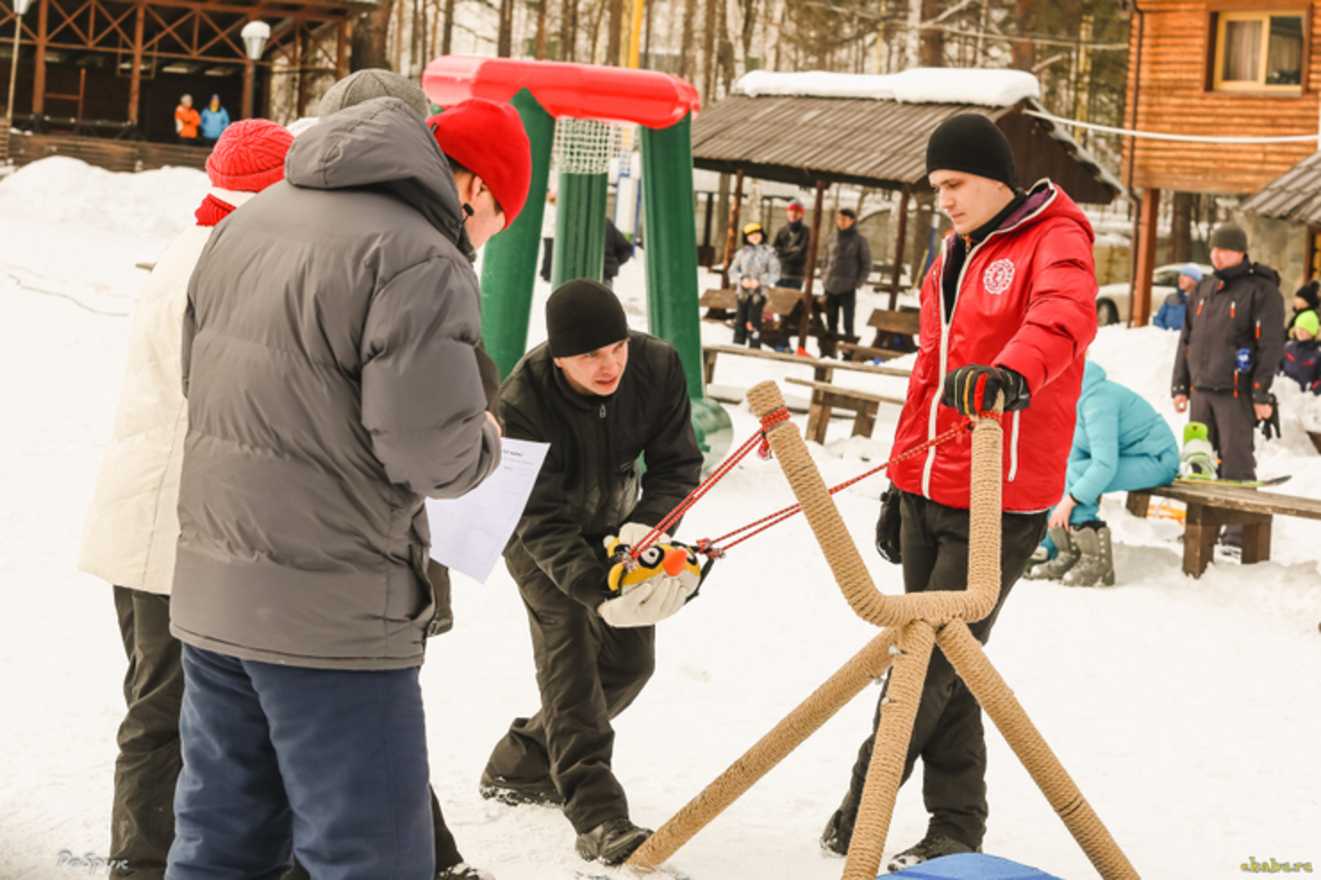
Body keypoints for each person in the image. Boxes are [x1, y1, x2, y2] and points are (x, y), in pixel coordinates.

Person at [165, 96, 530, 880]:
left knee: (220, 843)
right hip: (333, 619)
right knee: (369, 856)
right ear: (472, 187)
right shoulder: (419, 259)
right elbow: (434, 456)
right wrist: (489, 438)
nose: (482, 237)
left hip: (214, 593)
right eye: (496, 217)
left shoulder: (250, 222)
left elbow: (200, 382)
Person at [821, 113, 1097, 870]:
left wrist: (1011, 373)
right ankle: (957, 823)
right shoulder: (950, 252)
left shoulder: (1055, 237)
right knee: (948, 660)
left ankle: (864, 798)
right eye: (935, 186)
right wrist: (896, 477)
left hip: (999, 487)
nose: (942, 199)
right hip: (929, 480)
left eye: (953, 184)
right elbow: (928, 374)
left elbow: (1063, 316)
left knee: (932, 666)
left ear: (993, 177)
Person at [282, 67, 504, 880]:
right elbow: (428, 437)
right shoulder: (409, 248)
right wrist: (479, 437)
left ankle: (428, 853)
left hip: (271, 559)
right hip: (344, 560)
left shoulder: (282, 225)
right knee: (354, 753)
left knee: (292, 759)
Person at [76, 119, 293, 880]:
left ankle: (152, 853)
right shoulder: (229, 262)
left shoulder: (191, 245)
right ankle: (140, 860)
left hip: (144, 514)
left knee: (160, 696)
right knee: (166, 704)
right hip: (172, 521)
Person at [479, 279, 703, 867]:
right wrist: (595, 589)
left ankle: (521, 761)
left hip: (620, 531)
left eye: (615, 348)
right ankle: (598, 816)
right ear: (559, 359)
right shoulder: (523, 400)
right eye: (589, 357)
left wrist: (647, 530)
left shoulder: (656, 366)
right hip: (538, 539)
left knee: (631, 662)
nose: (609, 366)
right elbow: (539, 516)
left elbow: (679, 466)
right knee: (572, 660)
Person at [1171, 222, 1284, 537]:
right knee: (1199, 459)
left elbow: (1271, 345)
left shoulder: (1261, 290)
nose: (1218, 256)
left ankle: (1238, 530)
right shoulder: (1205, 289)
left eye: (1226, 250)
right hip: (1201, 392)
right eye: (1215, 249)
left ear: (1241, 252)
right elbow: (1186, 340)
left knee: (1236, 462)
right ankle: (1201, 525)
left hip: (1237, 392)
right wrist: (1180, 385)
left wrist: (1261, 393)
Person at [1024, 361, 1179, 587]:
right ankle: (1062, 549)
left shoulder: (1097, 401)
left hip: (1157, 459)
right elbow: (1072, 462)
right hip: (1131, 457)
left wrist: (1070, 502)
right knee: (1070, 471)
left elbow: (1104, 465)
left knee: (1081, 475)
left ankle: (1096, 559)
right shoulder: (1076, 402)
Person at [822, 207, 872, 351]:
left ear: (852, 221)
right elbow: (826, 260)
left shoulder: (859, 240)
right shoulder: (831, 238)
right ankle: (829, 351)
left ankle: (848, 351)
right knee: (831, 321)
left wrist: (858, 283)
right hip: (830, 286)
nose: (841, 222)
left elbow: (866, 264)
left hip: (848, 287)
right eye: (839, 219)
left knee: (848, 323)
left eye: (844, 219)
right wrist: (824, 278)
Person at [727, 221, 780, 348]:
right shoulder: (742, 253)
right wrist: (741, 280)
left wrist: (760, 281)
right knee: (740, 318)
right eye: (750, 235)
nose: (754, 237)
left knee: (754, 319)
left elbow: (775, 274)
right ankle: (738, 344)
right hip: (743, 293)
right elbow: (732, 271)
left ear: (762, 235)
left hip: (759, 293)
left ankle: (754, 344)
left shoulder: (769, 253)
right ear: (746, 238)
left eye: (757, 234)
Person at [1281, 309, 1321, 394]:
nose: (1300, 331)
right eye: (1299, 328)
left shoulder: (1318, 353)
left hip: (1306, 401)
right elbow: (1276, 366)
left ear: (1313, 331)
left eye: (1305, 329)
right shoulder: (1288, 347)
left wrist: (1312, 390)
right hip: (1285, 397)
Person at [1153, 264, 1202, 331]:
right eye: (1180, 275)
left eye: (1185, 275)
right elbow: (1158, 319)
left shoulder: (1202, 301)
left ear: (1195, 281)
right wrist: (1165, 331)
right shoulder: (1171, 298)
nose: (1180, 278)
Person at [773, 199, 809, 288]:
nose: (793, 214)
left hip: (796, 275)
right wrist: (790, 250)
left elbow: (800, 254)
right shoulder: (782, 230)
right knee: (777, 300)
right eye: (791, 211)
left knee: (792, 301)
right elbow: (774, 251)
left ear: (802, 214)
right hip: (779, 273)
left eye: (797, 211)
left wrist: (783, 253)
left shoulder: (806, 232)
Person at [603, 217, 635, 289]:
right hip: (605, 277)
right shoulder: (606, 222)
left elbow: (626, 249)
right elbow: (626, 249)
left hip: (603, 275)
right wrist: (612, 263)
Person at [540, 189, 558, 282]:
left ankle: (545, 272)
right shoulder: (550, 208)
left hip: (549, 233)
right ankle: (546, 273)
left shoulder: (549, 207)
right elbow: (552, 221)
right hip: (550, 234)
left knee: (548, 253)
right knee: (549, 254)